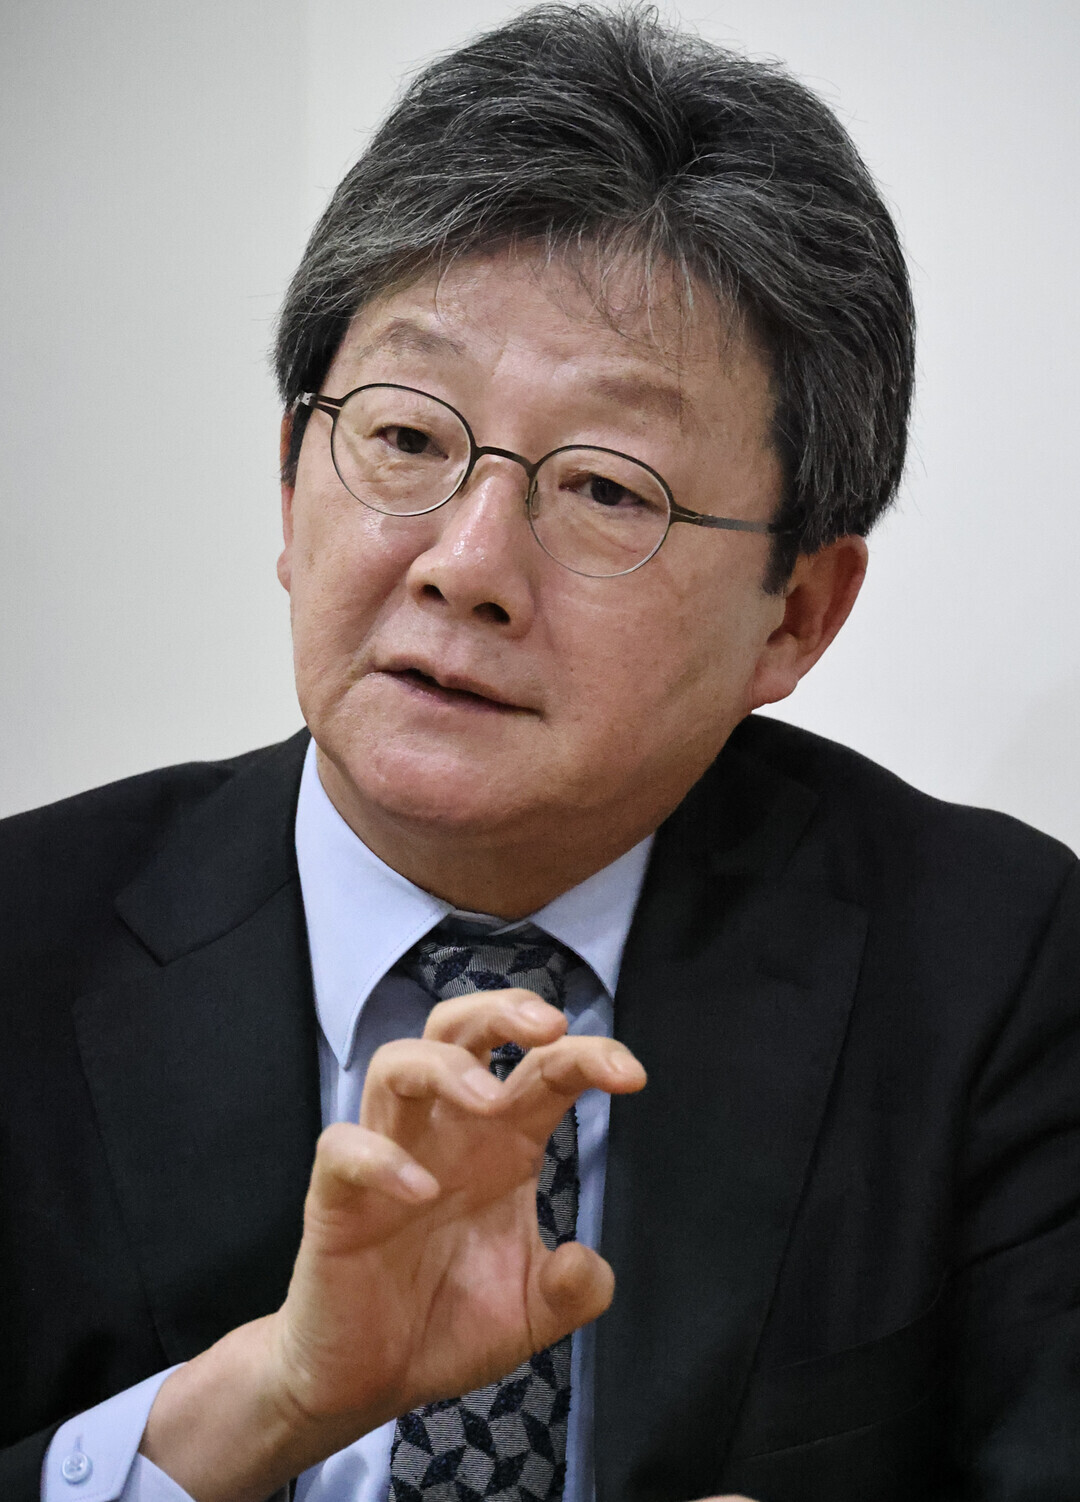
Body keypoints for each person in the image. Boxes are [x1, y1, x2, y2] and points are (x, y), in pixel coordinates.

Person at [3, 5, 1078, 1501]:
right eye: (405, 438)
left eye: (606, 489)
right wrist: (261, 1405)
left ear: (798, 615)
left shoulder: (999, 972)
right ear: (291, 480)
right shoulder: (24, 939)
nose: (467, 564)